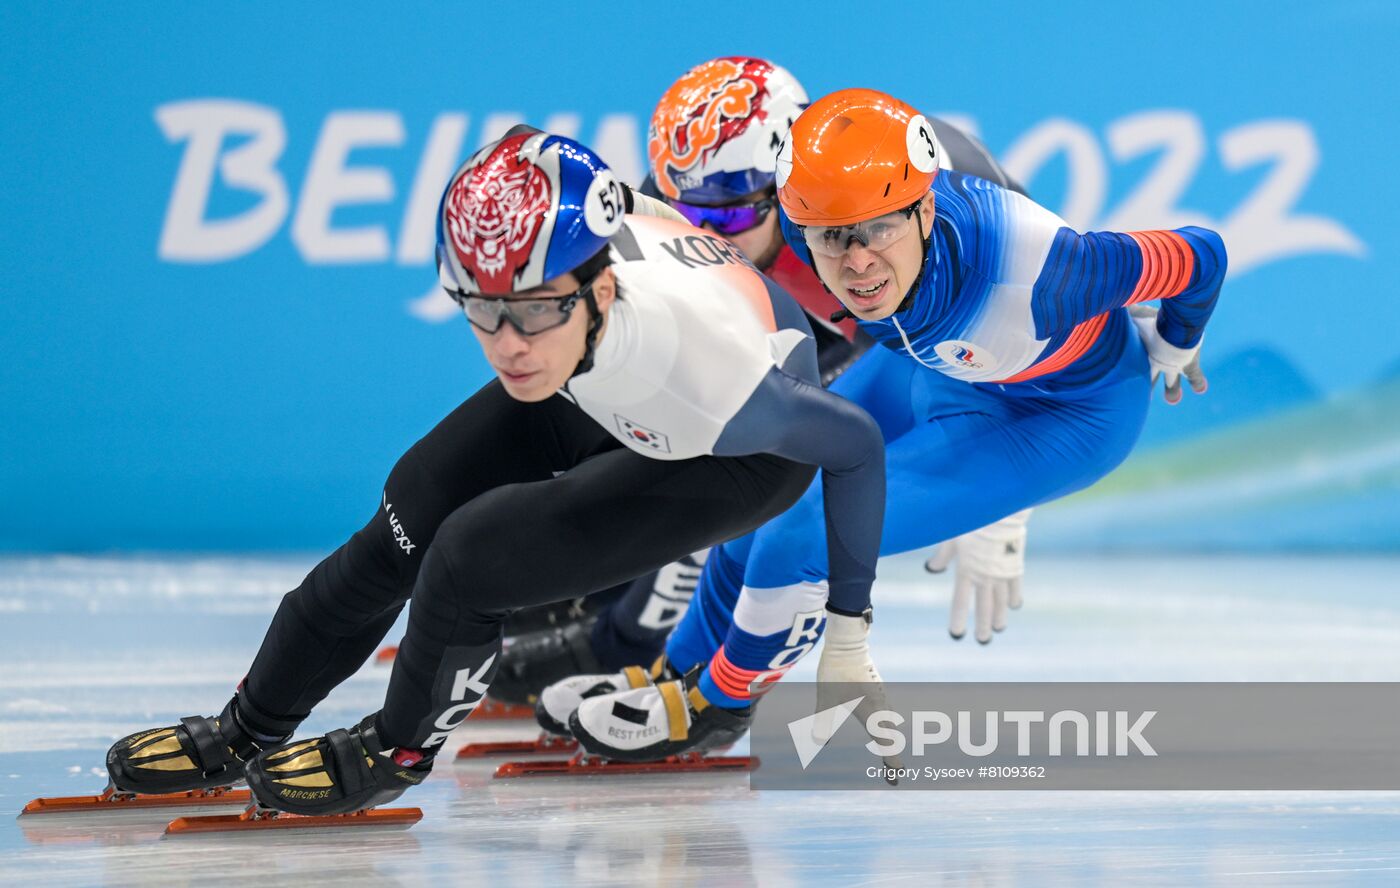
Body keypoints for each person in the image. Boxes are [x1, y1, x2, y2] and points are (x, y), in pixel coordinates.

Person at [103, 130, 885, 816]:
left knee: (469, 559)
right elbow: (524, 144)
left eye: (537, 307)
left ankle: (395, 751)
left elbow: (856, 446)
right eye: (482, 308)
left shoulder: (715, 376)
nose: (508, 343)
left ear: (598, 287)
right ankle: (247, 728)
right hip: (591, 374)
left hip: (730, 454)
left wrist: (849, 628)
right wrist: (541, 316)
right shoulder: (549, 300)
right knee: (404, 520)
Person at [556, 87, 1226, 762]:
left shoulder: (1048, 273)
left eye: (878, 229)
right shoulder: (799, 221)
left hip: (1063, 413)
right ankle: (674, 672)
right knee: (762, 486)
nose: (857, 262)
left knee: (800, 535)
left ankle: (716, 707)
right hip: (946, 368)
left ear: (926, 207)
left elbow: (1202, 254)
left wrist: (1176, 343)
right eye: (831, 237)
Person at [493, 58, 1036, 711]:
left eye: (723, 222)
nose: (702, 238)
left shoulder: (919, 198)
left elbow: (1035, 329)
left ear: (786, 187)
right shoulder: (685, 200)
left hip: (915, 343)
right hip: (810, 318)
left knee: (769, 475)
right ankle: (588, 602)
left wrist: (1005, 503)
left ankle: (662, 661)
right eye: (683, 213)